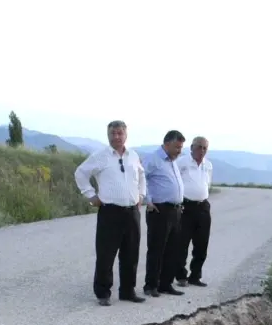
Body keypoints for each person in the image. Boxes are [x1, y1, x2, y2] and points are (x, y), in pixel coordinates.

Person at [73, 120, 147, 306]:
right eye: (113, 133)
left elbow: (142, 176)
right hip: (110, 212)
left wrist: (141, 195)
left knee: (131, 254)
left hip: (132, 212)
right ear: (108, 135)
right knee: (106, 254)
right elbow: (80, 173)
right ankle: (103, 293)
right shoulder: (100, 156)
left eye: (120, 133)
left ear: (126, 135)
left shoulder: (133, 156)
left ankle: (128, 291)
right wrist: (90, 195)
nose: (116, 137)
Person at [141, 130, 187, 297]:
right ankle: (151, 285)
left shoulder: (173, 160)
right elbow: (141, 178)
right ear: (167, 144)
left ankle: (165, 284)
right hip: (159, 209)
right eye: (176, 147)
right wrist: (148, 200)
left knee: (172, 249)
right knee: (157, 249)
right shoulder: (153, 159)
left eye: (181, 147)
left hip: (175, 210)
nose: (179, 151)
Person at [175, 136, 213, 287]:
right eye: (199, 147)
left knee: (202, 243)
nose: (201, 151)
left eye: (204, 148)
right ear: (191, 147)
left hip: (203, 206)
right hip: (186, 206)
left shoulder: (208, 165)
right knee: (182, 243)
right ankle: (181, 276)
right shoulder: (181, 162)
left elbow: (208, 183)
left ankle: (195, 276)